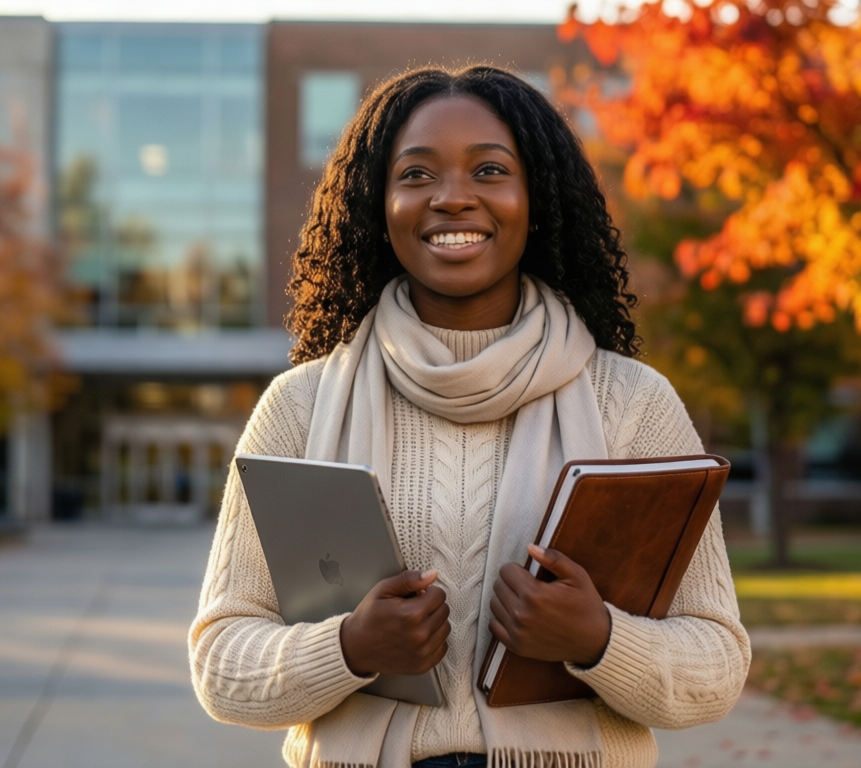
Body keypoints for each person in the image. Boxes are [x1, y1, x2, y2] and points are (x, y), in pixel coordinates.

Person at [188, 65, 750, 768]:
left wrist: (600, 639)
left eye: (490, 170)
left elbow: (718, 665)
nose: (452, 199)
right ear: (378, 203)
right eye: (417, 175)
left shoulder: (631, 403)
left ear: (535, 198)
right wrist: (348, 649)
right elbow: (220, 664)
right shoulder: (299, 407)